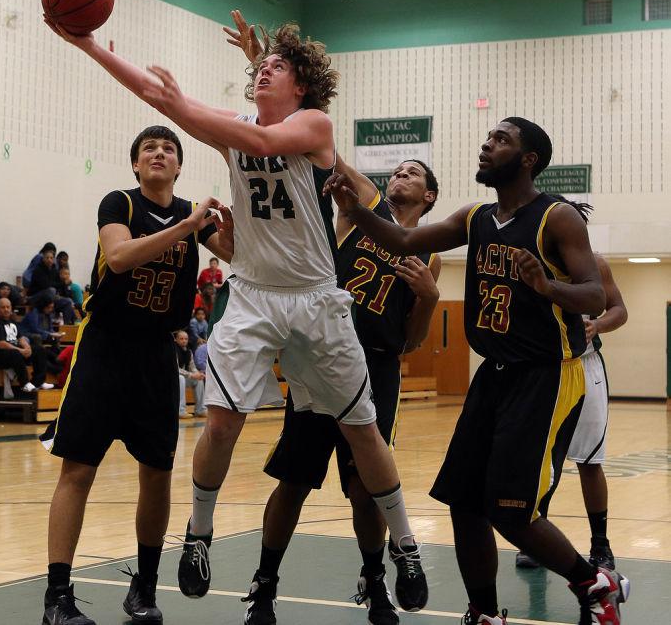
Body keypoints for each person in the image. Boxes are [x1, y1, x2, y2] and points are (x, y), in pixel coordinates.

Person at [45, 17, 429, 613]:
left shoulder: (314, 126)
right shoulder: (236, 126)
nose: (263, 69)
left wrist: (183, 105)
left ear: (301, 87)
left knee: (361, 429)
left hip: (314, 296)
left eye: (277, 66)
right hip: (251, 294)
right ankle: (198, 536)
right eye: (261, 65)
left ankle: (404, 543)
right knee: (222, 421)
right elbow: (158, 96)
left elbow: (263, 143)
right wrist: (89, 44)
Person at [324, 118, 630, 625]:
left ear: (528, 158)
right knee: (464, 501)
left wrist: (547, 288)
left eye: (501, 140)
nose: (487, 146)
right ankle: (484, 612)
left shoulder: (557, 218)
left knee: (510, 509)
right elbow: (403, 241)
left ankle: (594, 584)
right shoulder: (476, 217)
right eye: (488, 139)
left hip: (545, 374)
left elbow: (596, 296)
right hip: (494, 374)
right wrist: (353, 210)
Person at [37, 124, 231, 625]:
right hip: (104, 348)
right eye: (150, 148)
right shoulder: (120, 203)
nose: (160, 153)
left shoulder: (195, 215)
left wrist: (236, 216)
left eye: (169, 148)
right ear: (136, 164)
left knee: (158, 476)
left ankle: (144, 590)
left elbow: (241, 256)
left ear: (180, 165)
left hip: (156, 355)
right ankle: (58, 596)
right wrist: (188, 228)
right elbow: (120, 257)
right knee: (77, 469)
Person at [245, 156, 441, 625]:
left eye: (412, 173)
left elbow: (413, 341)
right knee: (293, 480)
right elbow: (340, 166)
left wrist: (431, 298)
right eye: (396, 171)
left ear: (429, 196)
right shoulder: (357, 216)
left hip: (377, 364)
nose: (399, 175)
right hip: (322, 356)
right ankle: (264, 586)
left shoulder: (428, 252)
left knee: (364, 488)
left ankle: (375, 584)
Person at [516, 199, 628, 573]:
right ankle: (537, 539)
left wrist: (599, 325)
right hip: (541, 367)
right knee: (540, 459)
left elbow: (618, 310)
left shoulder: (595, 264)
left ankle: (601, 545)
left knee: (590, 460)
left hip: (585, 364)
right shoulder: (527, 260)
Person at [0, 297, 53, 394]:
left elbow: (20, 338)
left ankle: (38, 382)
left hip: (14, 353)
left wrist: (27, 348)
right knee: (15, 353)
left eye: (8, 307)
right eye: (3, 307)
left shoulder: (12, 322)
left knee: (39, 350)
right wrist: (20, 350)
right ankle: (24, 384)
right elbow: (1, 344)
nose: (6, 309)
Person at [28, 248, 76, 324]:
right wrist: (63, 284)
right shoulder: (38, 270)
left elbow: (59, 285)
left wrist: (65, 284)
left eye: (51, 258)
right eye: (47, 258)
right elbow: (46, 285)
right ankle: (52, 317)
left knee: (67, 302)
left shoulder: (54, 270)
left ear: (54, 259)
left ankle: (66, 326)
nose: (49, 260)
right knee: (51, 290)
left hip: (50, 298)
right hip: (35, 297)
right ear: (43, 259)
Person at [174, 329, 206, 418]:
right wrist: (191, 375)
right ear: (175, 340)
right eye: (181, 339)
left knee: (198, 380)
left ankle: (200, 410)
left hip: (184, 378)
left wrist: (198, 374)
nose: (184, 341)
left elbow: (192, 367)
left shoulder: (189, 351)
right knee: (181, 378)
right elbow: (176, 369)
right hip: (171, 379)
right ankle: (181, 411)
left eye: (186, 339)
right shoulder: (173, 351)